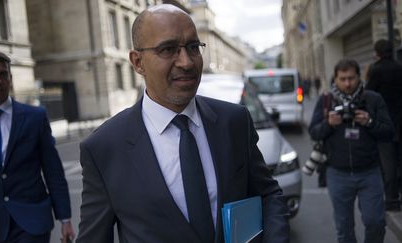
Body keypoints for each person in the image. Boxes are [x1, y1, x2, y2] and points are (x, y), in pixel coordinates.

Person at [77, 4, 290, 243]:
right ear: (138, 63)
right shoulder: (104, 147)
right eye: (168, 49)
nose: (187, 62)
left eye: (193, 47)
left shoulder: (234, 122)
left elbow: (268, 194)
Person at [0, 51, 75, 243]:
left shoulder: (35, 117)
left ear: (10, 79)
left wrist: (65, 219)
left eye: (3, 74)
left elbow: (53, 171)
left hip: (33, 222)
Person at [309, 59, 394, 243]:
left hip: (369, 172)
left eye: (351, 78)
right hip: (337, 174)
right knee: (344, 229)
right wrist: (328, 125)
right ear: (336, 79)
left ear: (359, 77)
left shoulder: (373, 99)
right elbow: (313, 132)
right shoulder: (326, 100)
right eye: (343, 79)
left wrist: (369, 122)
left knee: (376, 223)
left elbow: (389, 132)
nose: (347, 83)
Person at [366, 39, 402, 211]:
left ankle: (392, 199)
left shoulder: (376, 70)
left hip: (384, 122)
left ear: (377, 52)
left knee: (388, 163)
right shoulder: (400, 67)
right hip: (400, 120)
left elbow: (369, 94)